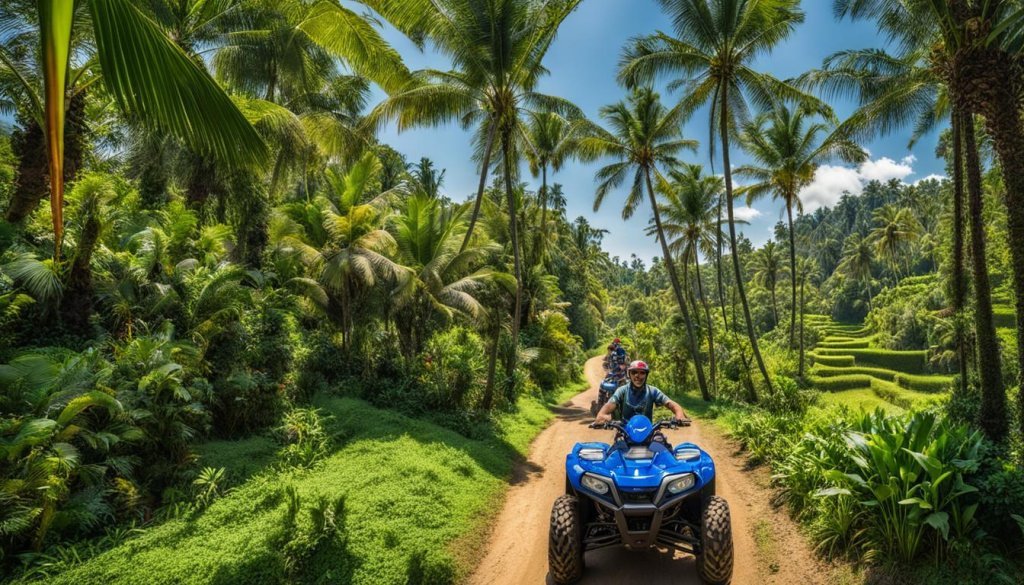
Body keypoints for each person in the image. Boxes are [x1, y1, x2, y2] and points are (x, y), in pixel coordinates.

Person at [594, 360, 687, 425]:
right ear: (629, 374)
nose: (638, 376)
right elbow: (606, 409)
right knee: (614, 452)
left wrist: (679, 414)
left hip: (648, 434)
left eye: (642, 373)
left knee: (664, 448)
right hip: (624, 433)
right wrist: (604, 417)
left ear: (646, 375)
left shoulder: (653, 391)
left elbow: (672, 404)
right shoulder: (621, 391)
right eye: (634, 372)